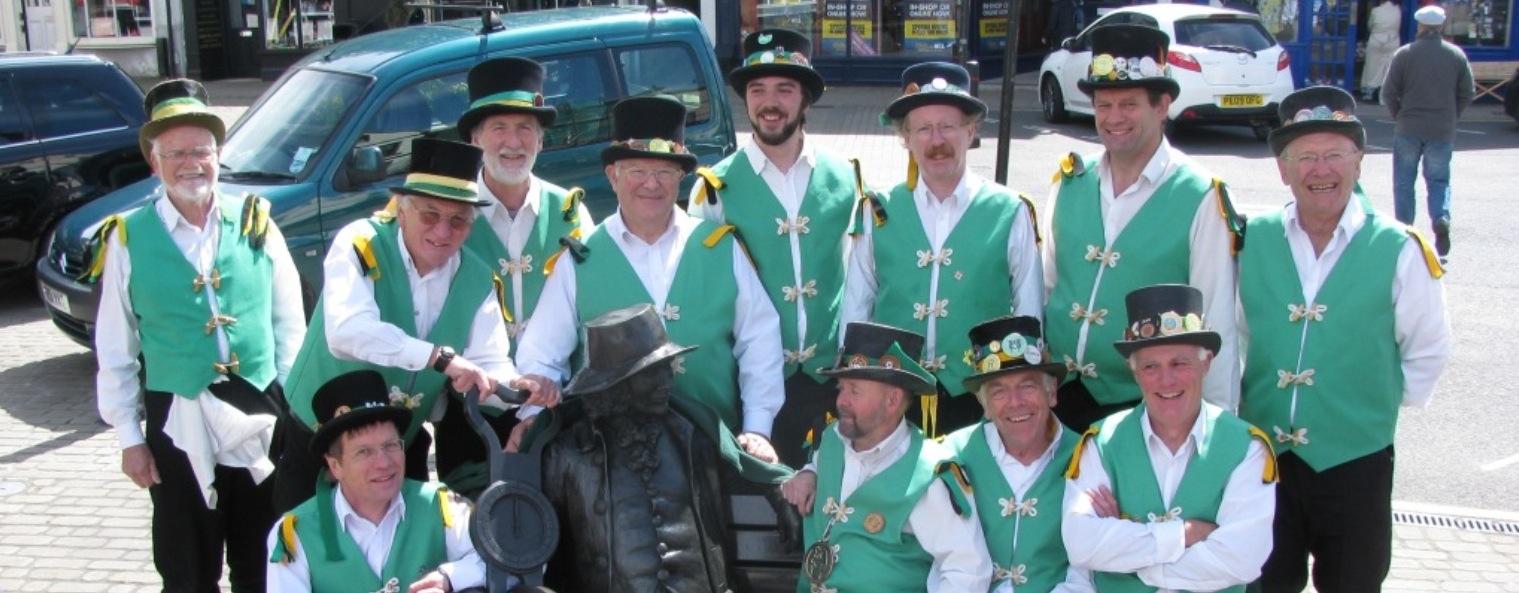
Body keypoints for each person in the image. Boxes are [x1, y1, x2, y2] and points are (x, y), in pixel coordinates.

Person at [88, 78, 305, 593]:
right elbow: (116, 349)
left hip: (259, 403)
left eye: (202, 152)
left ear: (219, 155)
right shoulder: (126, 237)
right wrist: (129, 439)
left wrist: (297, 415)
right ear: (154, 162)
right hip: (176, 414)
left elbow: (289, 325)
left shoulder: (255, 222)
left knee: (264, 554)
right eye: (177, 153)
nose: (192, 164)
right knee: (186, 562)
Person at [272, 138, 557, 513]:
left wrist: (515, 387)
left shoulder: (477, 277)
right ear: (401, 212)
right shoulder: (360, 242)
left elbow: (487, 361)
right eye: (430, 215)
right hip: (316, 440)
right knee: (298, 553)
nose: (443, 231)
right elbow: (346, 330)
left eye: (458, 220)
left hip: (397, 448)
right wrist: (438, 358)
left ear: (471, 226)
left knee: (406, 561)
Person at [1243, 86, 1450, 593]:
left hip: (1356, 463)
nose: (1321, 170)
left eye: (1335, 154)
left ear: (1358, 163)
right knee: (1261, 585)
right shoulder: (1250, 237)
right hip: (1264, 457)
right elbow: (1234, 336)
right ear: (1283, 169)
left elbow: (1428, 346)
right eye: (1305, 157)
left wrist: (1365, 408)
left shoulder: (1398, 247)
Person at [516, 95, 786, 462]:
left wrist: (756, 428)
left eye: (664, 172)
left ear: (681, 178)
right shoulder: (579, 259)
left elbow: (760, 342)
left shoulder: (720, 246)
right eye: (637, 171)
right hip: (610, 458)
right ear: (613, 176)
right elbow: (542, 357)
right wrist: (534, 414)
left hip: (712, 447)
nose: (651, 184)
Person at [1042, 24, 1242, 432]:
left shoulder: (1200, 194)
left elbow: (1217, 318)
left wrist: (1216, 431)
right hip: (1059, 399)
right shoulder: (1070, 182)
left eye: (1129, 104)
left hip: (1144, 404)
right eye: (1103, 104)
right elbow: (1047, 287)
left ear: (1162, 104)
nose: (1114, 118)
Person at [843, 61, 1044, 438]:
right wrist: (858, 388)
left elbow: (1029, 312)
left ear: (971, 131)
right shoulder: (877, 210)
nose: (937, 141)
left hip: (980, 396)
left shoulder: (1011, 210)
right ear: (905, 137)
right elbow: (857, 307)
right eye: (923, 129)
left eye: (948, 127)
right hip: (894, 394)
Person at [534, 304, 795, 593]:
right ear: (616, 385)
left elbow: (748, 471)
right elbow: (538, 546)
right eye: (651, 374)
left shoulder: (694, 434)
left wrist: (781, 496)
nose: (667, 382)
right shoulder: (567, 455)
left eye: (666, 370)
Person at [690, 28, 859, 468]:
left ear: (805, 99)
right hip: (750, 381)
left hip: (831, 377)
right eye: (758, 89)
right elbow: (703, 292)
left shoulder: (847, 179)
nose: (770, 103)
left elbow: (862, 277)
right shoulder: (714, 189)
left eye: (785, 89)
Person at [433, 56, 595, 496]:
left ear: (541, 141)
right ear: (475, 138)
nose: (513, 142)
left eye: (525, 128)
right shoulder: (450, 213)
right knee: (470, 527)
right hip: (471, 408)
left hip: (551, 405)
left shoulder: (570, 211)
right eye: (499, 128)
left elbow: (592, 305)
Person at [1061, 284, 1277, 593]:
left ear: (1206, 363)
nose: (1166, 379)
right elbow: (1082, 545)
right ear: (1134, 372)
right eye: (1150, 366)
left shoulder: (1247, 448)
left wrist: (1134, 558)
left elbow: (1242, 559)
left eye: (1180, 363)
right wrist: (1185, 535)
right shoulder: (1100, 443)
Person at [780, 321, 993, 593]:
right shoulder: (830, 439)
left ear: (892, 400)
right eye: (841, 388)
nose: (841, 401)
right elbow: (819, 463)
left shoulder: (929, 473)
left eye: (854, 391)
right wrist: (808, 473)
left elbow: (967, 571)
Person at [266, 370, 489, 593]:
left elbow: (499, 562)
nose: (384, 463)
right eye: (364, 452)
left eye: (391, 445)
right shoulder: (295, 534)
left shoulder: (440, 506)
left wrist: (448, 578)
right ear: (335, 466)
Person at [943, 315, 1094, 593]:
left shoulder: (1090, 458)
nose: (1015, 403)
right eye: (999, 391)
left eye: (1028, 386)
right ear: (983, 403)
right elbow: (939, 560)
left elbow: (1089, 568)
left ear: (1052, 393)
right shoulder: (949, 457)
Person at [1382, 4, 1475, 261]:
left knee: (1403, 182)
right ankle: (1441, 217)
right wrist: (1452, 116)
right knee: (1438, 181)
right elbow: (1468, 92)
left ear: (1420, 26)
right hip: (1442, 129)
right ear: (1441, 27)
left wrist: (1399, 115)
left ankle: (1405, 231)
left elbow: (1388, 93)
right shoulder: (1456, 55)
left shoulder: (1405, 54)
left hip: (1408, 126)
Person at [1360, 0, 1401, 101]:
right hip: (1392, 40)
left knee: (1371, 67)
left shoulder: (1375, 11)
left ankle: (1369, 92)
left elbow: (1370, 25)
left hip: (1376, 40)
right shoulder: (1398, 10)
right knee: (1388, 67)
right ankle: (1383, 95)